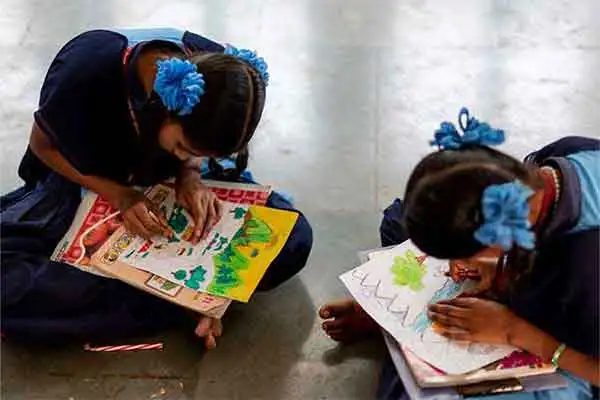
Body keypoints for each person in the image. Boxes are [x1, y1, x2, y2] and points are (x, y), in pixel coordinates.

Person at [1, 28, 312, 349]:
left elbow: (193, 157)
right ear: (165, 107)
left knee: (293, 235)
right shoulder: (87, 69)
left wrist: (190, 175)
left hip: (162, 181)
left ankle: (175, 297)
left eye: (203, 155)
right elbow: (43, 147)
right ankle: (190, 298)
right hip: (87, 176)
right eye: (183, 146)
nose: (190, 158)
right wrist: (119, 194)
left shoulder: (220, 73)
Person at [320, 109, 599, 398]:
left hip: (579, 354)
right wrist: (498, 266)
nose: (459, 266)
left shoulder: (585, 273)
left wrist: (511, 330)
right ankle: (400, 332)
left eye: (467, 254)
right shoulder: (558, 158)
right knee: (399, 219)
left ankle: (403, 340)